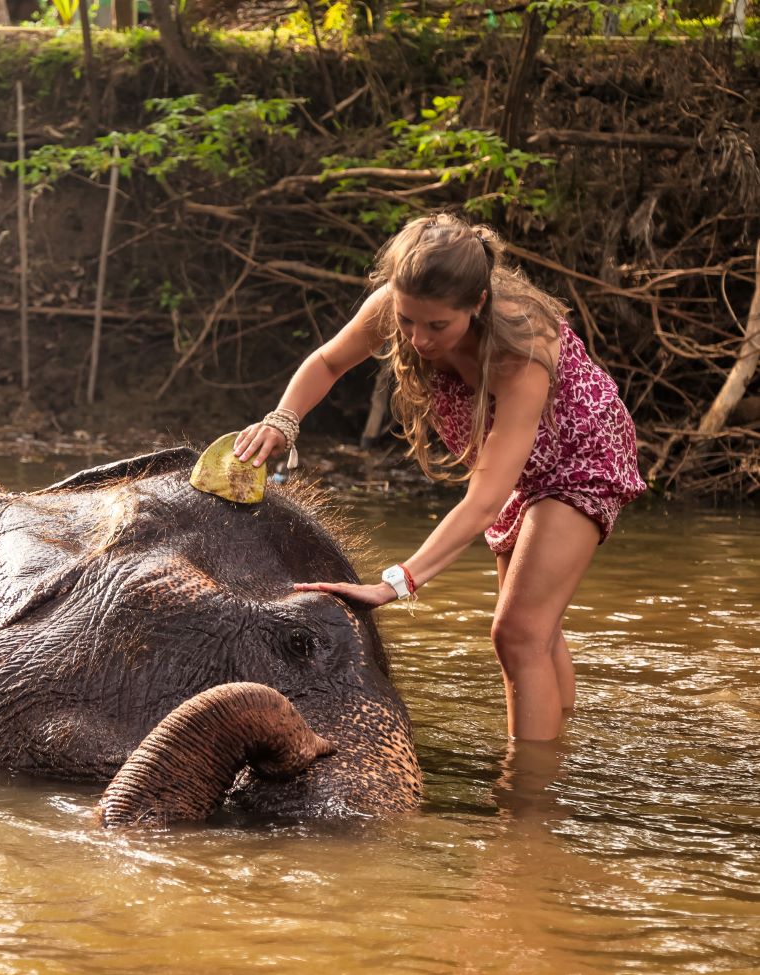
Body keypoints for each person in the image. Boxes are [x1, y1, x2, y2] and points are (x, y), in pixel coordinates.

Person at [232, 212, 645, 741]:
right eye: (407, 321)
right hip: (518, 468)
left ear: (477, 304)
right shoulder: (396, 305)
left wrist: (394, 583)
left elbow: (483, 503)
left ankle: (528, 789)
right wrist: (282, 421)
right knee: (536, 629)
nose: (418, 339)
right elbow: (329, 362)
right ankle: (558, 757)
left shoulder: (521, 349)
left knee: (518, 633)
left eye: (437, 326)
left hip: (581, 455)